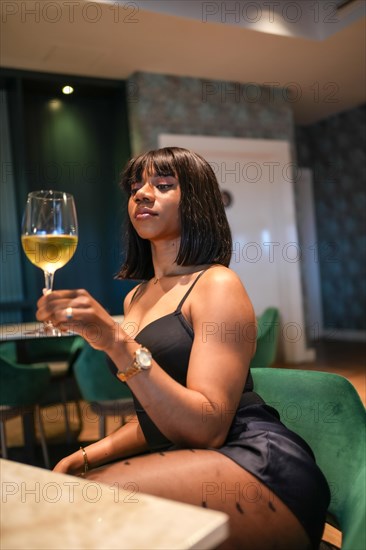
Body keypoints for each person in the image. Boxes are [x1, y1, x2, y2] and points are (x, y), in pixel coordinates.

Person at [36, 147, 330, 550]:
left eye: (163, 185)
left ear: (195, 202)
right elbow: (160, 415)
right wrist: (86, 454)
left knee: (90, 502)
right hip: (190, 451)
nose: (142, 193)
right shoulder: (135, 298)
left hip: (257, 460)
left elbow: (207, 429)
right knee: (79, 488)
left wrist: (116, 341)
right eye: (136, 185)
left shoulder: (216, 284)